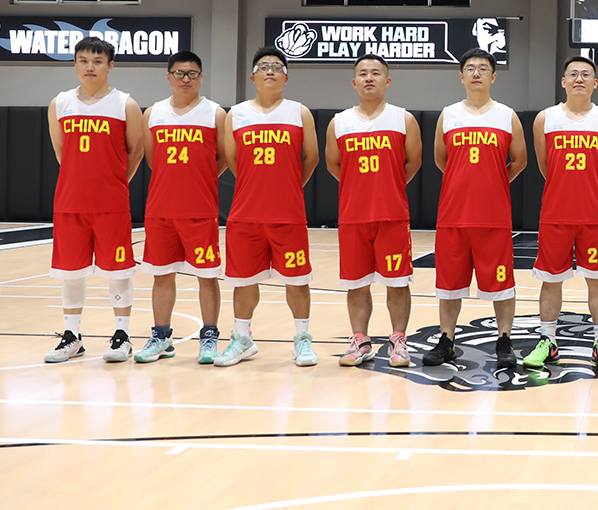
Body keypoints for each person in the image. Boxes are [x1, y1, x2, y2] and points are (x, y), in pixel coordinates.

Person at [216, 48, 320, 367]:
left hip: (288, 213)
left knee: (297, 279)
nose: (270, 71)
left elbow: (312, 157)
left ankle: (302, 339)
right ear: (253, 77)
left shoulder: (299, 112)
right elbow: (232, 159)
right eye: (264, 67)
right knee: (243, 280)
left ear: (286, 77)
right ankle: (243, 339)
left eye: (277, 66)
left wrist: (289, 186)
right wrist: (257, 184)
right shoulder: (236, 114)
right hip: (246, 213)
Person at [43, 37, 145, 363]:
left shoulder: (125, 104)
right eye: (84, 60)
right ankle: (72, 336)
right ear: (75, 63)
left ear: (110, 65)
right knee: (70, 271)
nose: (90, 67)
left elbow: (136, 151)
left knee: (119, 271)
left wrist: (114, 182)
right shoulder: (59, 103)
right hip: (70, 202)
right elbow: (61, 151)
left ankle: (123, 336)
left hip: (111, 203)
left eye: (98, 61)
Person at [425, 49, 528, 368]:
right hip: (453, 216)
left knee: (502, 285)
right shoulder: (448, 114)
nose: (476, 73)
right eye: (470, 68)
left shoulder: (507, 115)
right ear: (461, 76)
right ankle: (447, 341)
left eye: (483, 68)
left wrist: (494, 181)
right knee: (449, 286)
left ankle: (504, 340)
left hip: (493, 217)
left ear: (493, 77)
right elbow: (441, 160)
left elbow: (520, 160)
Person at [525, 56, 598, 371]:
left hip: (593, 215)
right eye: (573, 74)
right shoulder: (545, 119)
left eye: (585, 74)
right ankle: (548, 340)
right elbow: (545, 167)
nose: (579, 79)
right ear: (563, 81)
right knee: (550, 281)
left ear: (595, 83)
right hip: (555, 214)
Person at [325, 54, 422, 369]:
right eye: (363, 73)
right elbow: (334, 165)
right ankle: (360, 340)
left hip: (392, 215)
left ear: (387, 81)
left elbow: (413, 162)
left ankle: (398, 341)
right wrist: (358, 186)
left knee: (398, 282)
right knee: (356, 283)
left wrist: (389, 185)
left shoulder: (404, 119)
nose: (369, 78)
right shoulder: (339, 122)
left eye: (376, 73)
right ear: (354, 82)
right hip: (353, 216)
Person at [135, 51, 227, 364]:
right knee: (161, 276)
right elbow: (153, 160)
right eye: (179, 73)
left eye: (192, 73)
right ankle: (161, 337)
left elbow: (223, 157)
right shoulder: (153, 113)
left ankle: (209, 336)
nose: (185, 78)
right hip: (161, 209)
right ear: (169, 77)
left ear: (201, 77)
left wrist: (201, 178)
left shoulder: (215, 113)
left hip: (200, 210)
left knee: (207, 276)